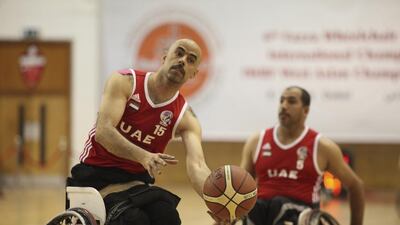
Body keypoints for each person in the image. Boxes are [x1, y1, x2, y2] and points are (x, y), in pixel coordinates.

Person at [68, 39, 212, 225]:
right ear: (165, 56)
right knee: (135, 220)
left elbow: (198, 166)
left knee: (168, 216)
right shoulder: (125, 82)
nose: (183, 60)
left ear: (194, 74)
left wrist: (216, 203)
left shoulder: (186, 117)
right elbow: (103, 132)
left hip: (135, 182)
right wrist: (143, 156)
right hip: (96, 175)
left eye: (191, 59)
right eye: (179, 53)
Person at [240, 86, 365, 225]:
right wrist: (225, 213)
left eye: (291, 101)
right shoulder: (257, 141)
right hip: (262, 211)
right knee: (254, 207)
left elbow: (356, 186)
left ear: (306, 110)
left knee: (279, 205)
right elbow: (239, 188)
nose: (284, 106)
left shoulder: (322, 146)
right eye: (281, 101)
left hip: (303, 215)